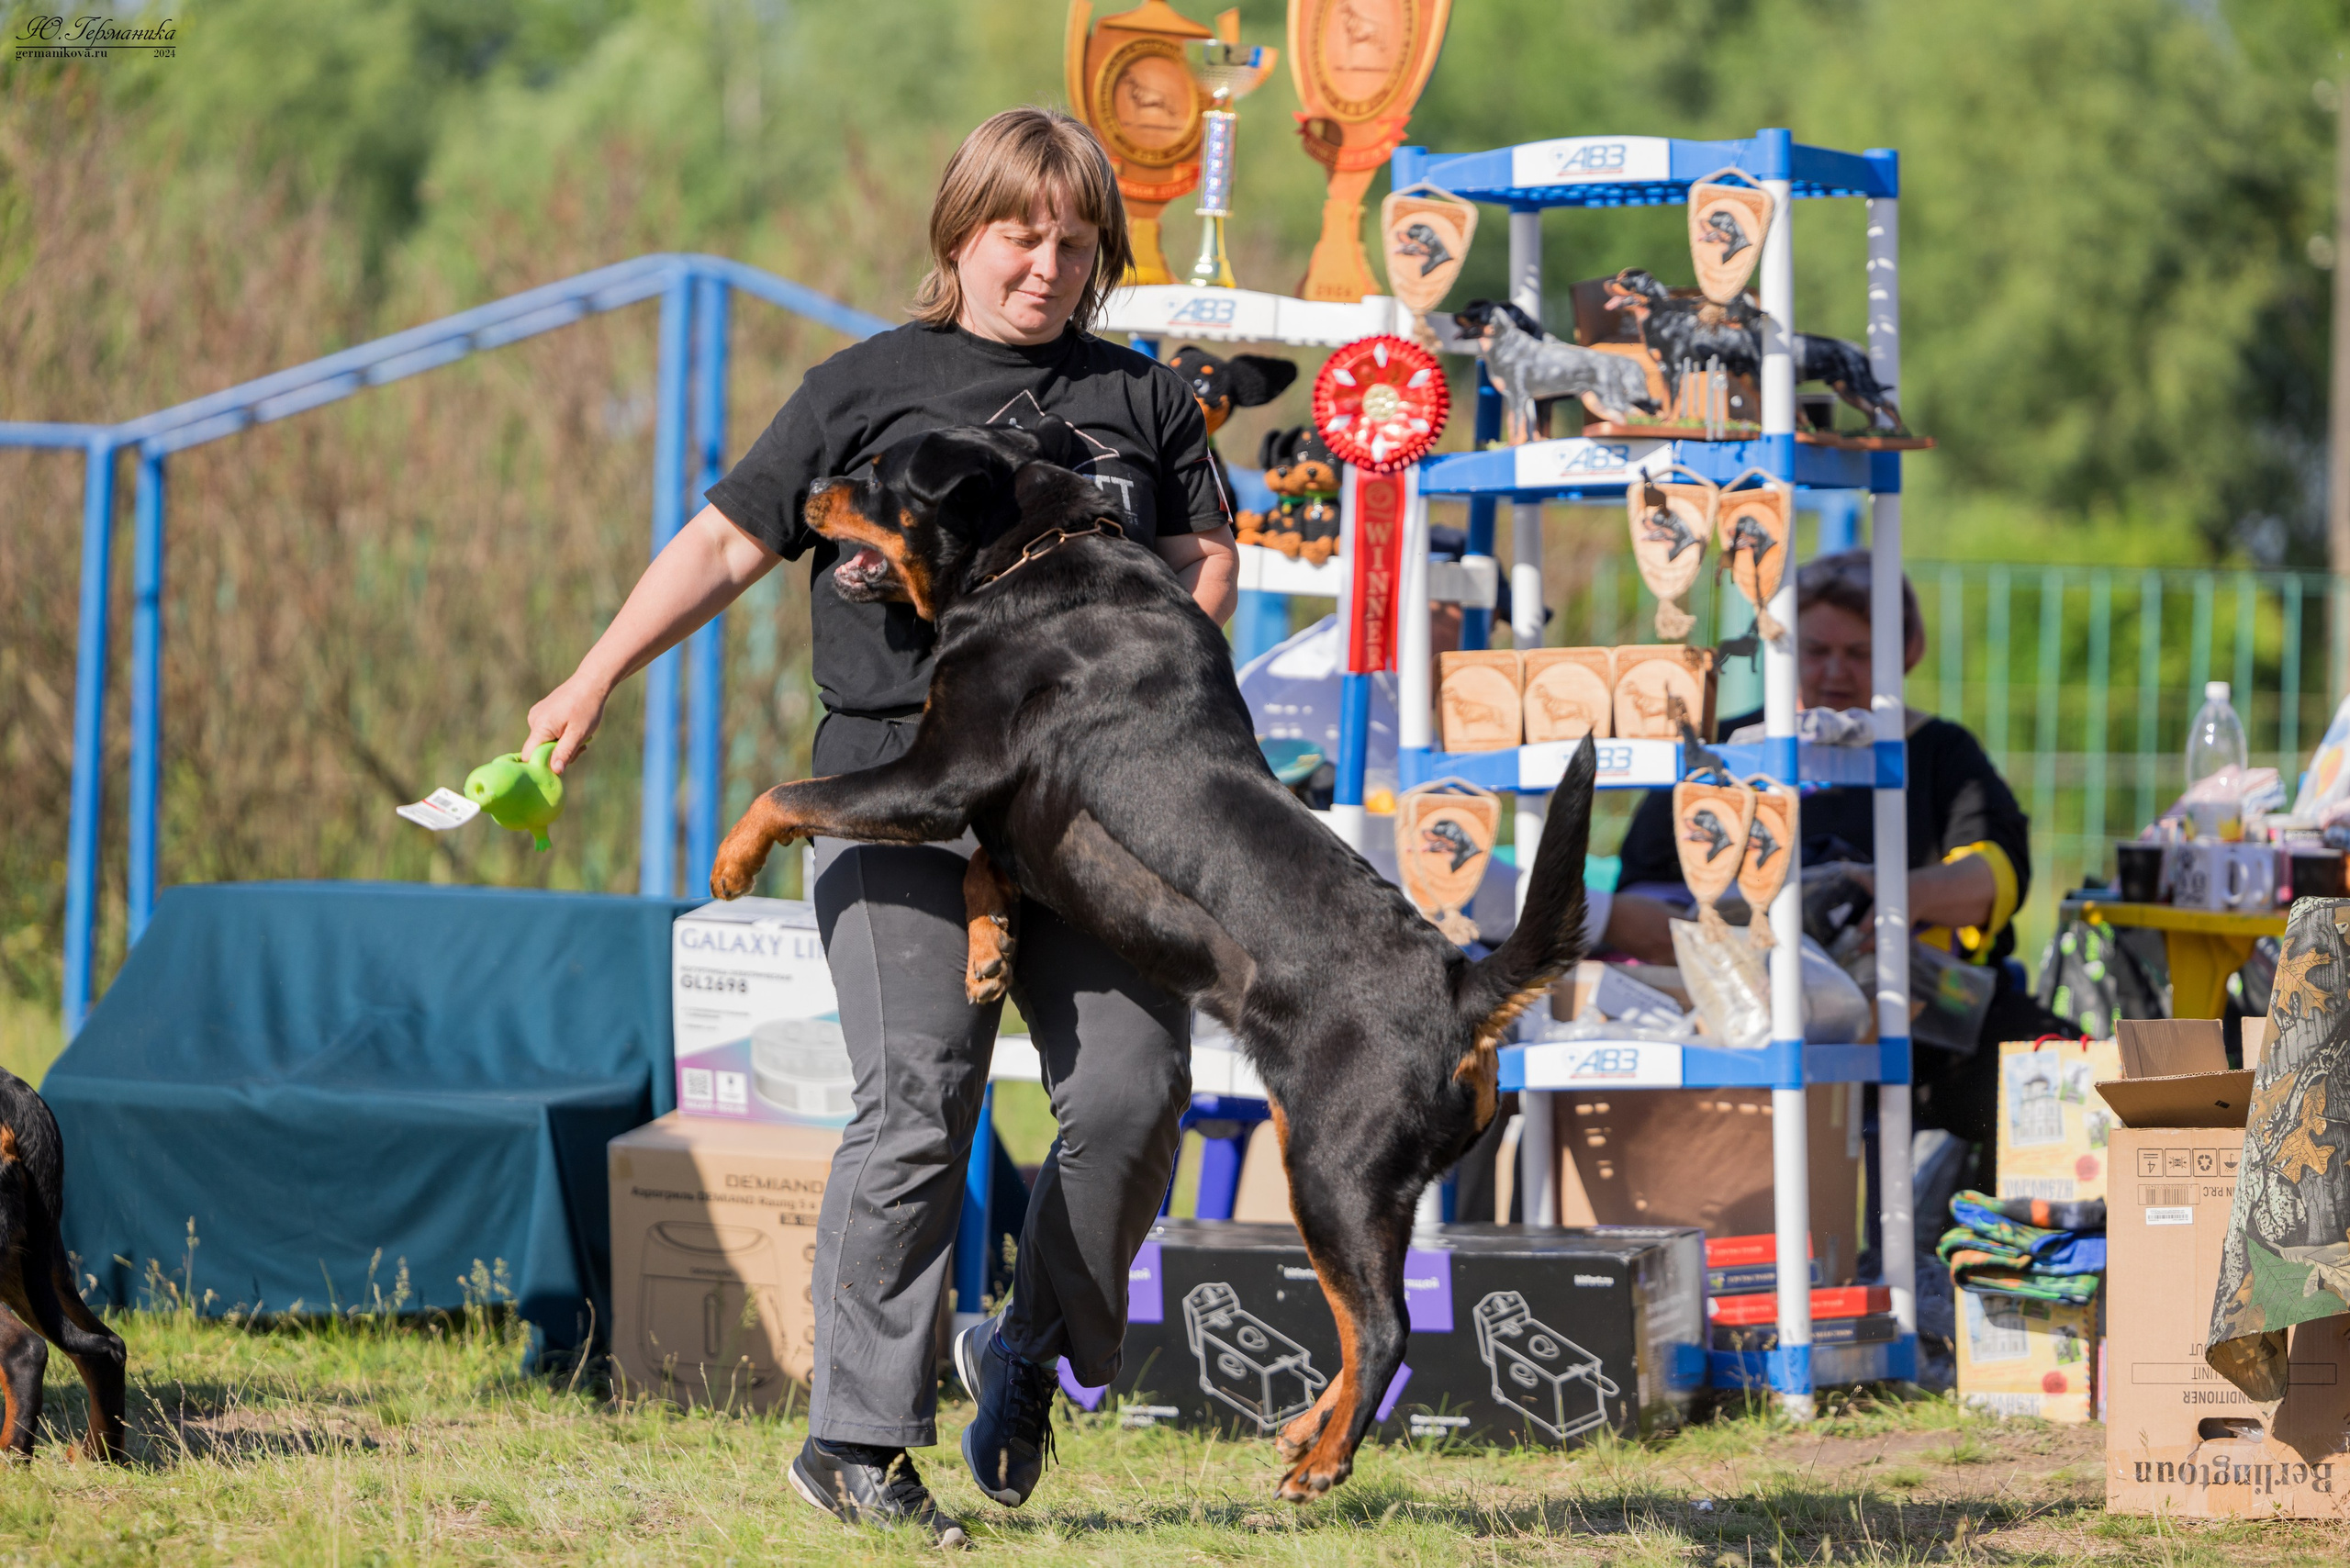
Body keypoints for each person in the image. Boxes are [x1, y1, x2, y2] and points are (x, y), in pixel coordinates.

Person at [526, 108, 1238, 1546]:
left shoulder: (1145, 400)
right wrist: (595, 674)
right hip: (893, 797)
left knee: (1127, 1095)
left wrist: (1159, 651)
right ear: (959, 232)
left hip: (1093, 808)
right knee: (919, 1092)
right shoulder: (863, 388)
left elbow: (1204, 558)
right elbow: (728, 539)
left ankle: (1022, 1351)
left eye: (1073, 241)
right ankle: (855, 1442)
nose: (1044, 265)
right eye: (1017, 235)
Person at [1603, 549, 2059, 1150]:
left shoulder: (1938, 751)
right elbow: (1640, 892)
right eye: (1816, 651)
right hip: (1742, 1018)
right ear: (1783, 651)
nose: (1835, 672)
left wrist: (1898, 895)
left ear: (1906, 654)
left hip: (1918, 1025)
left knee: (2059, 1084)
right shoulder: (1727, 749)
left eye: (1860, 654)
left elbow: (1995, 871)